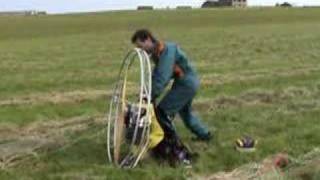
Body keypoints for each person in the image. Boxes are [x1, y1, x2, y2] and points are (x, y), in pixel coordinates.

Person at [131, 29, 212, 165]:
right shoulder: (159, 53)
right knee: (186, 114)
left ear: (148, 40)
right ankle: (205, 135)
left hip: (186, 83)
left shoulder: (166, 51)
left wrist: (148, 97)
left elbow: (162, 78)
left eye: (140, 46)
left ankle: (175, 147)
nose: (140, 50)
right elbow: (156, 76)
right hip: (186, 82)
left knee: (162, 112)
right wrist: (145, 93)